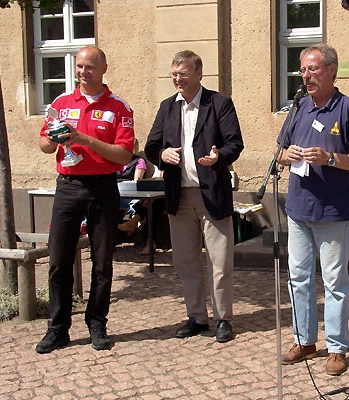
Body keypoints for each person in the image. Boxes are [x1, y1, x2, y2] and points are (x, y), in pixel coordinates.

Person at [276, 43, 349, 375]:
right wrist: (285, 156)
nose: (306, 76)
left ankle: (337, 348)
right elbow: (279, 153)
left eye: (313, 69)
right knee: (298, 278)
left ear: (331, 70)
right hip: (298, 208)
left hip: (333, 210)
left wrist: (331, 158)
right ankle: (304, 341)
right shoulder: (298, 107)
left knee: (334, 282)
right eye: (303, 69)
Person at [36, 46, 135, 353]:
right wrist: (52, 139)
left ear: (104, 68)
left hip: (103, 187)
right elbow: (43, 144)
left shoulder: (119, 108)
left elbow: (124, 154)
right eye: (79, 66)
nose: (83, 72)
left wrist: (84, 139)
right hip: (67, 186)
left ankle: (97, 323)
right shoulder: (61, 103)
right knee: (58, 260)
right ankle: (58, 328)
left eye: (89, 67)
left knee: (102, 261)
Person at [144, 50, 244, 343]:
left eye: (183, 74)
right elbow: (151, 146)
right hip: (179, 196)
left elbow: (235, 143)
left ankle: (223, 318)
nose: (178, 79)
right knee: (186, 261)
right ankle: (197, 317)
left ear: (199, 73)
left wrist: (219, 156)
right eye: (174, 74)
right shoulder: (167, 108)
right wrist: (161, 154)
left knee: (220, 261)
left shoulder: (219, 104)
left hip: (212, 194)